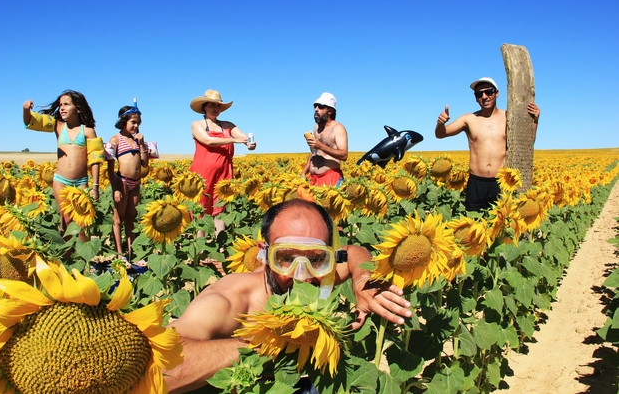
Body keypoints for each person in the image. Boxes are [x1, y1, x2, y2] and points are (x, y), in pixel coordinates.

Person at [165, 199, 413, 393]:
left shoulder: (321, 275)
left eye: (316, 258)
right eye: (285, 258)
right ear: (264, 255)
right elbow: (165, 369)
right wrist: (271, 341)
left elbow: (352, 252)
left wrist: (362, 281)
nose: (302, 276)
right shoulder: (231, 298)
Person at [435, 77, 540, 212]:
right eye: (479, 94)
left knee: (501, 227)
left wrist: (535, 120)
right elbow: (440, 134)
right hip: (476, 184)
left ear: (497, 93)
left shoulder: (510, 117)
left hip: (501, 183)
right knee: (474, 226)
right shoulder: (468, 119)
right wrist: (440, 123)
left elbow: (528, 142)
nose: (484, 97)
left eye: (489, 92)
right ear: (476, 98)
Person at [23, 90, 104, 237]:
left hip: (81, 182)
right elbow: (32, 121)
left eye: (66, 104)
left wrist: (95, 187)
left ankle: (81, 258)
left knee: (82, 222)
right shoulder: (58, 126)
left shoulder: (88, 131)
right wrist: (25, 109)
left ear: (78, 108)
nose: (62, 108)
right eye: (60, 105)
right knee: (65, 220)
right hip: (61, 181)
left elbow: (95, 159)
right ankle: (66, 257)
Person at [189, 89, 256, 237]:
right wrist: (233, 140)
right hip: (203, 173)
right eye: (212, 105)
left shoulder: (227, 125)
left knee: (221, 207)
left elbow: (243, 137)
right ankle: (200, 249)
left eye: (218, 106)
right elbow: (208, 140)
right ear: (204, 107)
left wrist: (249, 143)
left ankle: (220, 246)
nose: (215, 109)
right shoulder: (197, 124)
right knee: (202, 207)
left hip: (224, 171)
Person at [107, 105, 149, 261]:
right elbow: (110, 169)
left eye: (138, 122)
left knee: (131, 218)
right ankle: (119, 254)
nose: (136, 126)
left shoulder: (138, 140)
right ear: (123, 121)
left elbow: (145, 164)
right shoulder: (115, 140)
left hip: (136, 183)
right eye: (133, 122)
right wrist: (115, 189)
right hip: (122, 182)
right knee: (118, 218)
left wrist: (143, 144)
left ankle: (132, 254)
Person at [301, 92, 348, 186]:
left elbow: (344, 155)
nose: (316, 109)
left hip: (330, 179)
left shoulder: (338, 128)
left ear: (330, 111)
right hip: (313, 178)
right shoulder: (316, 127)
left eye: (321, 106)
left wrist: (321, 146)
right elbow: (314, 152)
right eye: (315, 106)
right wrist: (304, 172)